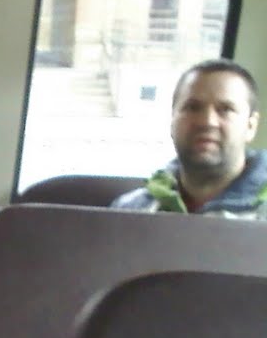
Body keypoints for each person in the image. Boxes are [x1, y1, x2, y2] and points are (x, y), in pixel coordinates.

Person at [113, 58, 265, 218]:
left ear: (251, 126)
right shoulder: (127, 211)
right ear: (172, 121)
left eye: (225, 109)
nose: (207, 122)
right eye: (193, 107)